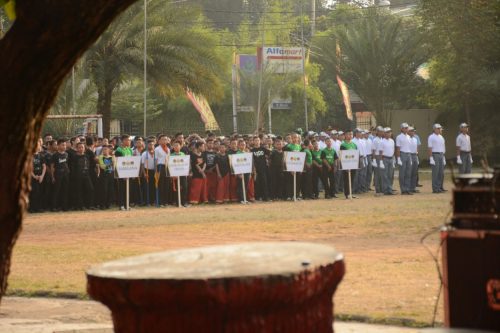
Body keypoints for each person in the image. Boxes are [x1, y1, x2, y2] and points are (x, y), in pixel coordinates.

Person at [73, 142, 94, 210]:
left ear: (84, 148)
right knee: (79, 191)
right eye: (79, 147)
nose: (81, 149)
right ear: (77, 148)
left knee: (90, 189)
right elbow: (73, 167)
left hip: (86, 175)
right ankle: (80, 206)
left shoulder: (87, 156)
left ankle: (89, 205)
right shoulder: (75, 157)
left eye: (82, 147)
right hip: (78, 176)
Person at [50, 139, 70, 211]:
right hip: (57, 175)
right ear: (58, 145)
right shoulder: (55, 155)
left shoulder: (67, 154)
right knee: (56, 191)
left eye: (65, 145)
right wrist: (52, 177)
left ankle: (64, 206)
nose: (64, 146)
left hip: (65, 175)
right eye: (62, 145)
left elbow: (66, 164)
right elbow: (52, 167)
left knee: (65, 191)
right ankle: (54, 207)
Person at [115, 134, 133, 210]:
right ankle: (121, 205)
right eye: (128, 140)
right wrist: (122, 174)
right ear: (123, 141)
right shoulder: (119, 150)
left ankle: (127, 205)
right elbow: (118, 162)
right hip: (121, 172)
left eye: (129, 140)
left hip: (128, 172)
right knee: (121, 189)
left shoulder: (130, 150)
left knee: (128, 189)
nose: (129, 141)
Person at [29, 139, 47, 213]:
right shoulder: (29, 156)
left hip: (40, 177)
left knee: (40, 192)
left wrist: (42, 176)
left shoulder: (41, 156)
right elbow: (28, 167)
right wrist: (34, 176)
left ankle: (39, 208)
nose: (37, 146)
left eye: (38, 145)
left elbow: (44, 166)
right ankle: (32, 208)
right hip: (32, 177)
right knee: (33, 193)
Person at [428, 123, 446, 193]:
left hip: (441, 154)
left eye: (440, 129)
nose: (440, 130)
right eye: (438, 128)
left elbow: (443, 147)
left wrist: (444, 157)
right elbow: (430, 148)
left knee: (441, 172)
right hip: (435, 155)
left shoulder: (441, 137)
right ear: (434, 129)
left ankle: (440, 187)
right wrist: (431, 158)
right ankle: (435, 188)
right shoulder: (431, 137)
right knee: (436, 172)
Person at [395, 123, 413, 195]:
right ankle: (403, 189)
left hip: (408, 154)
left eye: (407, 128)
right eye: (405, 128)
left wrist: (410, 157)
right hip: (402, 154)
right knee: (402, 173)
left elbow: (410, 148)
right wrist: (398, 158)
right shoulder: (399, 137)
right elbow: (398, 148)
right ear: (401, 129)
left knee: (408, 173)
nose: (406, 129)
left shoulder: (409, 137)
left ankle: (407, 189)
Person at [339, 130, 358, 199]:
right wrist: (344, 166)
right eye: (349, 134)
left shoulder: (354, 145)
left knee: (352, 179)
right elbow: (341, 155)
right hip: (346, 165)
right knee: (346, 180)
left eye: (351, 134)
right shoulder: (343, 145)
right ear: (345, 135)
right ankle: (347, 194)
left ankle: (351, 193)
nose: (350, 135)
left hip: (353, 164)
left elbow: (356, 154)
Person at [251, 136, 270, 201]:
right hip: (255, 170)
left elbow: (271, 154)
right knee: (256, 183)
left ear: (260, 141)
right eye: (255, 140)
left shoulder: (263, 149)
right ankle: (257, 197)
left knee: (264, 183)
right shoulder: (251, 150)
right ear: (253, 142)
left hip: (263, 169)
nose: (257, 142)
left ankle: (265, 197)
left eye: (258, 140)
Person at [284, 133, 302, 200]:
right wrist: (290, 168)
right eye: (293, 137)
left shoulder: (299, 146)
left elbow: (301, 157)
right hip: (290, 167)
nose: (295, 139)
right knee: (290, 182)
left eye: (296, 137)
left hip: (298, 167)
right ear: (291, 138)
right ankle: (289, 195)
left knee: (298, 181)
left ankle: (296, 195)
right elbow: (286, 157)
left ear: (298, 138)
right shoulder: (288, 146)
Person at [171, 141, 189, 207]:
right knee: (176, 189)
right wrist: (172, 175)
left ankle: (184, 202)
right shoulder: (171, 155)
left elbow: (186, 164)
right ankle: (178, 203)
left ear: (180, 146)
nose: (176, 147)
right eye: (174, 145)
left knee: (184, 187)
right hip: (175, 174)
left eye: (177, 145)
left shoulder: (183, 154)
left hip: (183, 174)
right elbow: (170, 166)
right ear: (173, 147)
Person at [97, 145, 115, 209]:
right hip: (103, 175)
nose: (105, 150)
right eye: (103, 149)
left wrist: (110, 165)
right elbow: (102, 166)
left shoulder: (112, 157)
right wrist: (110, 165)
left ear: (109, 150)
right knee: (104, 190)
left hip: (110, 175)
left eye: (106, 149)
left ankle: (108, 204)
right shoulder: (101, 157)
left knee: (110, 190)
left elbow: (114, 166)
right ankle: (102, 205)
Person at [154, 134, 170, 207]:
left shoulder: (168, 149)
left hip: (167, 167)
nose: (164, 141)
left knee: (167, 185)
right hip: (160, 167)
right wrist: (156, 170)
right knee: (161, 185)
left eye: (166, 139)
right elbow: (156, 160)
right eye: (163, 139)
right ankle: (160, 202)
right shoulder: (157, 149)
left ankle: (165, 201)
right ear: (159, 141)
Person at [379, 127, 395, 196]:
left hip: (391, 158)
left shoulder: (392, 141)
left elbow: (393, 150)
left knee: (390, 175)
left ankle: (390, 189)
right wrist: (381, 161)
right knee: (385, 175)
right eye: (387, 132)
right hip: (384, 159)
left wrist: (394, 160)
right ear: (384, 134)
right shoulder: (382, 141)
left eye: (390, 132)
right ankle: (385, 190)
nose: (389, 134)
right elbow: (380, 152)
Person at [141, 140, 157, 206]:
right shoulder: (145, 153)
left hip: (154, 171)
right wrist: (144, 173)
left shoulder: (156, 153)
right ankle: (147, 201)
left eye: (152, 144)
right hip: (146, 170)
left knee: (153, 187)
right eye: (150, 144)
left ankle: (153, 201)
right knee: (147, 187)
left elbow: (156, 163)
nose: (151, 146)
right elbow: (142, 164)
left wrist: (156, 172)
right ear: (147, 145)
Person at [203, 139, 218, 203]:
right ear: (206, 144)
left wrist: (212, 168)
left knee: (213, 186)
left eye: (212, 143)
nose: (211, 145)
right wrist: (206, 170)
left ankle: (213, 198)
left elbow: (217, 163)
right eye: (209, 143)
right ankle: (206, 199)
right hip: (206, 172)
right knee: (206, 186)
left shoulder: (216, 153)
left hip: (213, 172)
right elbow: (203, 162)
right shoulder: (204, 153)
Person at [408, 127, 419, 194]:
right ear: (408, 132)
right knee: (409, 172)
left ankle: (413, 187)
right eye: (411, 131)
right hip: (409, 155)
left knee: (414, 173)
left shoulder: (415, 139)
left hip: (414, 155)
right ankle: (408, 188)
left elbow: (417, 147)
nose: (413, 132)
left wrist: (417, 156)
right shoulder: (407, 139)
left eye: (413, 131)